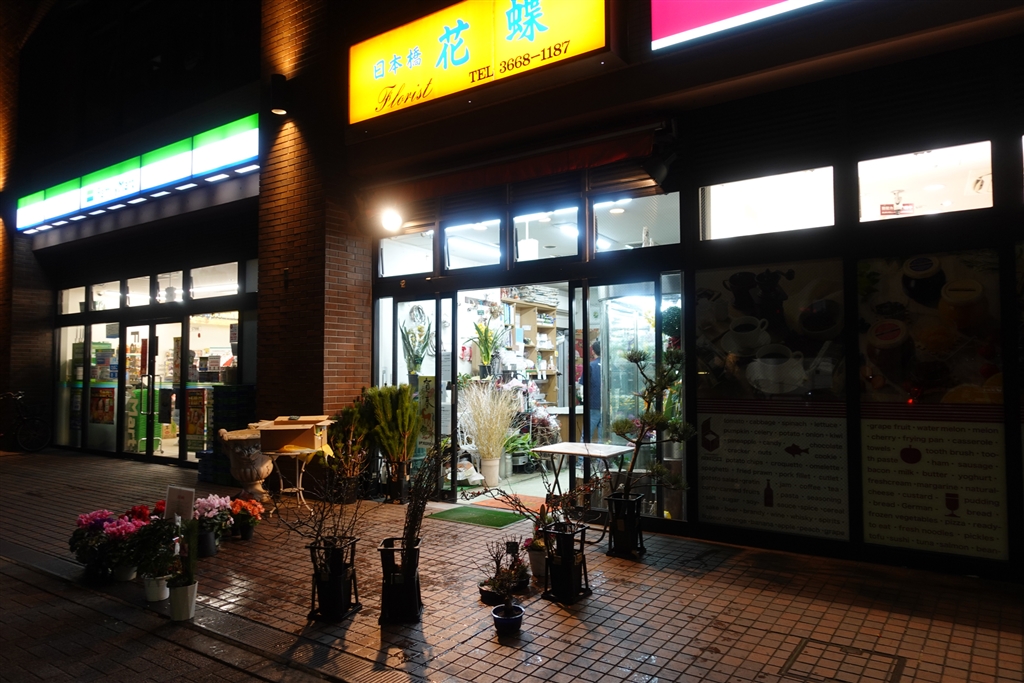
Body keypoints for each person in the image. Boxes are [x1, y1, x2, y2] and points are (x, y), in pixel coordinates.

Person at [589, 340, 601, 442]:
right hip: (607, 406)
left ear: (593, 351)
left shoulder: (591, 366)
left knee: (587, 435)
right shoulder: (609, 365)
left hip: (593, 404)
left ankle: (582, 453)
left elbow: (584, 385)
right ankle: (602, 453)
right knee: (603, 437)